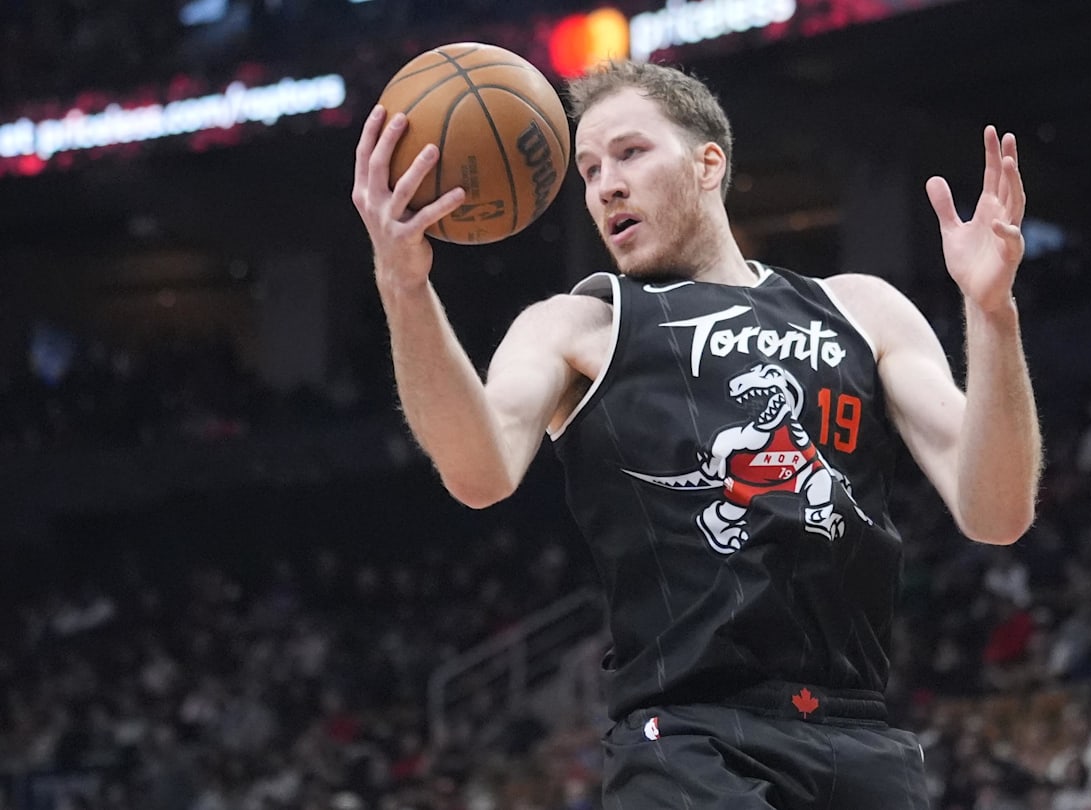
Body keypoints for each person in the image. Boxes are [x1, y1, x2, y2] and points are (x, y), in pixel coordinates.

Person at [351, 59, 1042, 808]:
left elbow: (997, 512)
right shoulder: (582, 324)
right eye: (586, 170)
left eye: (630, 153)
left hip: (858, 738)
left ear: (709, 162)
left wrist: (993, 312)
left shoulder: (861, 310)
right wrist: (404, 286)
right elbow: (477, 473)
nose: (605, 184)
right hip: (687, 743)